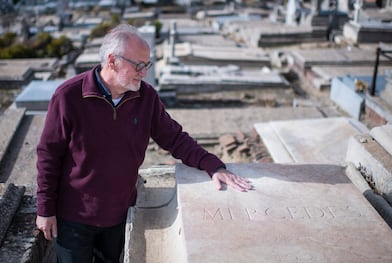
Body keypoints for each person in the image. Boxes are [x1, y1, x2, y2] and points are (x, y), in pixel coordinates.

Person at [36, 23, 252, 263]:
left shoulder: (145, 97)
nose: (144, 72)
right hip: (74, 217)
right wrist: (45, 209)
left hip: (120, 214)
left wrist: (214, 166)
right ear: (112, 61)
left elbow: (174, 138)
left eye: (146, 65)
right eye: (138, 65)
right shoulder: (69, 96)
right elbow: (49, 155)